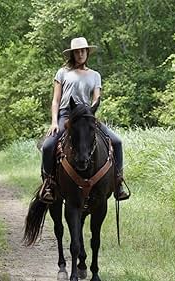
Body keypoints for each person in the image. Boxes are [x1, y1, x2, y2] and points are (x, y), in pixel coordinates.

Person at [39, 36, 130, 203]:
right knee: (48, 146)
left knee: (117, 142)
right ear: (72, 54)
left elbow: (96, 97)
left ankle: (118, 182)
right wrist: (54, 121)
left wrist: (92, 108)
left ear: (87, 52)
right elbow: (56, 100)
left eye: (83, 51)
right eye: (77, 52)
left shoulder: (95, 75)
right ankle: (49, 183)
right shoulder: (62, 73)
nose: (80, 54)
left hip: (87, 115)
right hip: (67, 114)